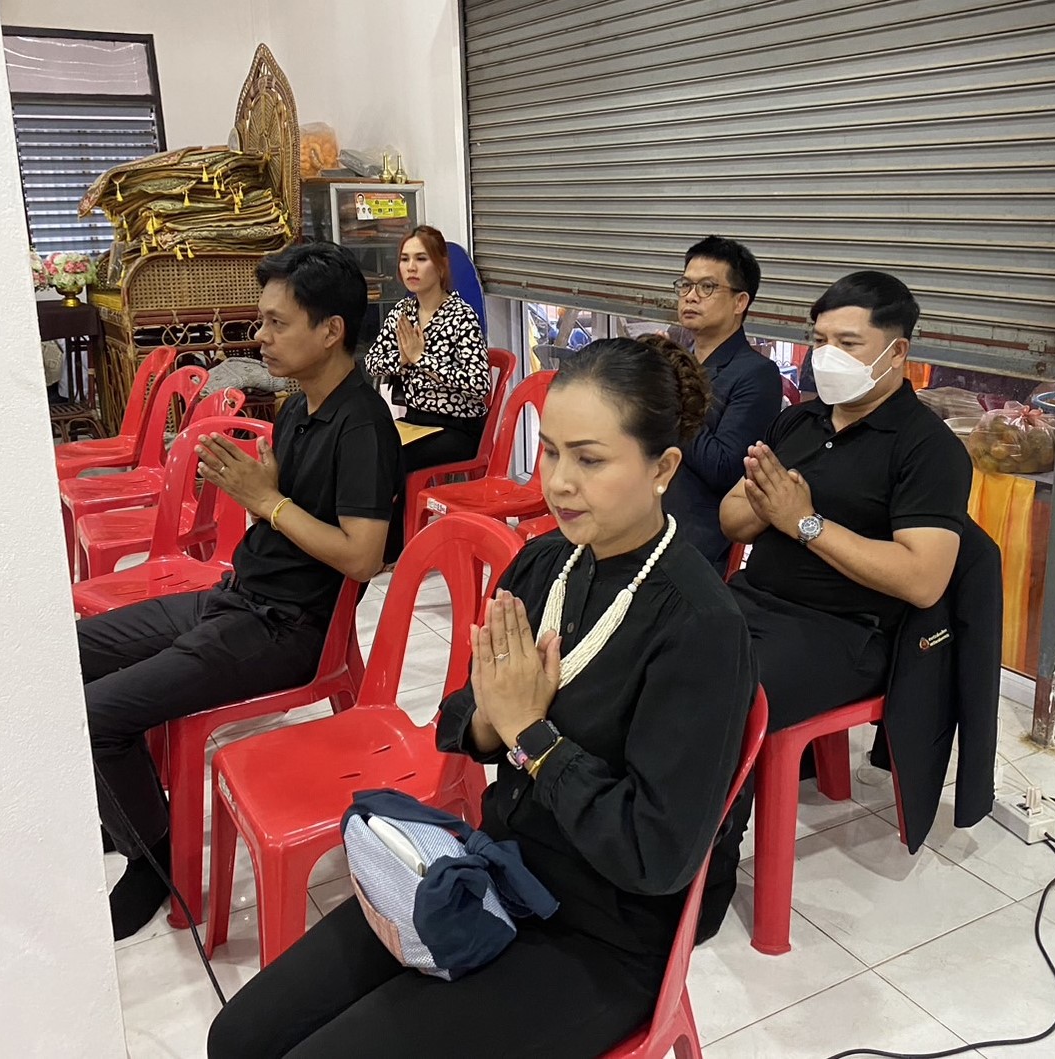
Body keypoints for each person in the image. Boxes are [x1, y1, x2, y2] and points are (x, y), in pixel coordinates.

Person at [208, 337, 756, 1059]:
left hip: (601, 933)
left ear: (662, 468)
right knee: (238, 1038)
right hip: (491, 866)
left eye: (590, 459)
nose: (559, 482)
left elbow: (655, 853)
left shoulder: (700, 627)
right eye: (551, 452)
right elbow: (461, 717)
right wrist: (496, 726)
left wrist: (532, 732)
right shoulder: (543, 563)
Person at [80, 242, 403, 940]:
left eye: (276, 322)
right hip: (239, 596)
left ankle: (156, 858)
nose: (261, 337)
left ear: (330, 330)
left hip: (290, 631)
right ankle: (136, 812)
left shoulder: (364, 425)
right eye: (262, 321)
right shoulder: (296, 409)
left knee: (96, 713)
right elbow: (277, 508)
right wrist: (255, 493)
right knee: (71, 651)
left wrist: (267, 498)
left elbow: (363, 557)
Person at [720, 270, 972, 733]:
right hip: (750, 600)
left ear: (897, 353)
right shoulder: (796, 423)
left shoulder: (929, 449)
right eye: (820, 341)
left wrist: (804, 522)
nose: (827, 357)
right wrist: (767, 504)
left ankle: (690, 805)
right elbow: (733, 522)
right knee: (642, 660)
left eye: (848, 344)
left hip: (846, 632)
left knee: (709, 703)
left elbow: (923, 581)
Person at [364, 225, 490, 562]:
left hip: (457, 429)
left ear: (440, 265)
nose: (411, 267)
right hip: (416, 422)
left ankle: (389, 550)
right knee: (369, 450)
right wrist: (402, 359)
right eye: (405, 259)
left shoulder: (461, 316)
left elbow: (478, 384)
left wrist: (423, 359)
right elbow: (374, 362)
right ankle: (374, 541)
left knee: (393, 460)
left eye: (421, 259)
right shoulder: (402, 312)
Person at [664, 235, 781, 574]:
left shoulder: (757, 374)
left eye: (707, 288)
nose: (690, 296)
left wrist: (671, 399)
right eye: (685, 285)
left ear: (739, 301)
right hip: (644, 510)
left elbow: (725, 469)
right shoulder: (681, 361)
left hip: (694, 535)